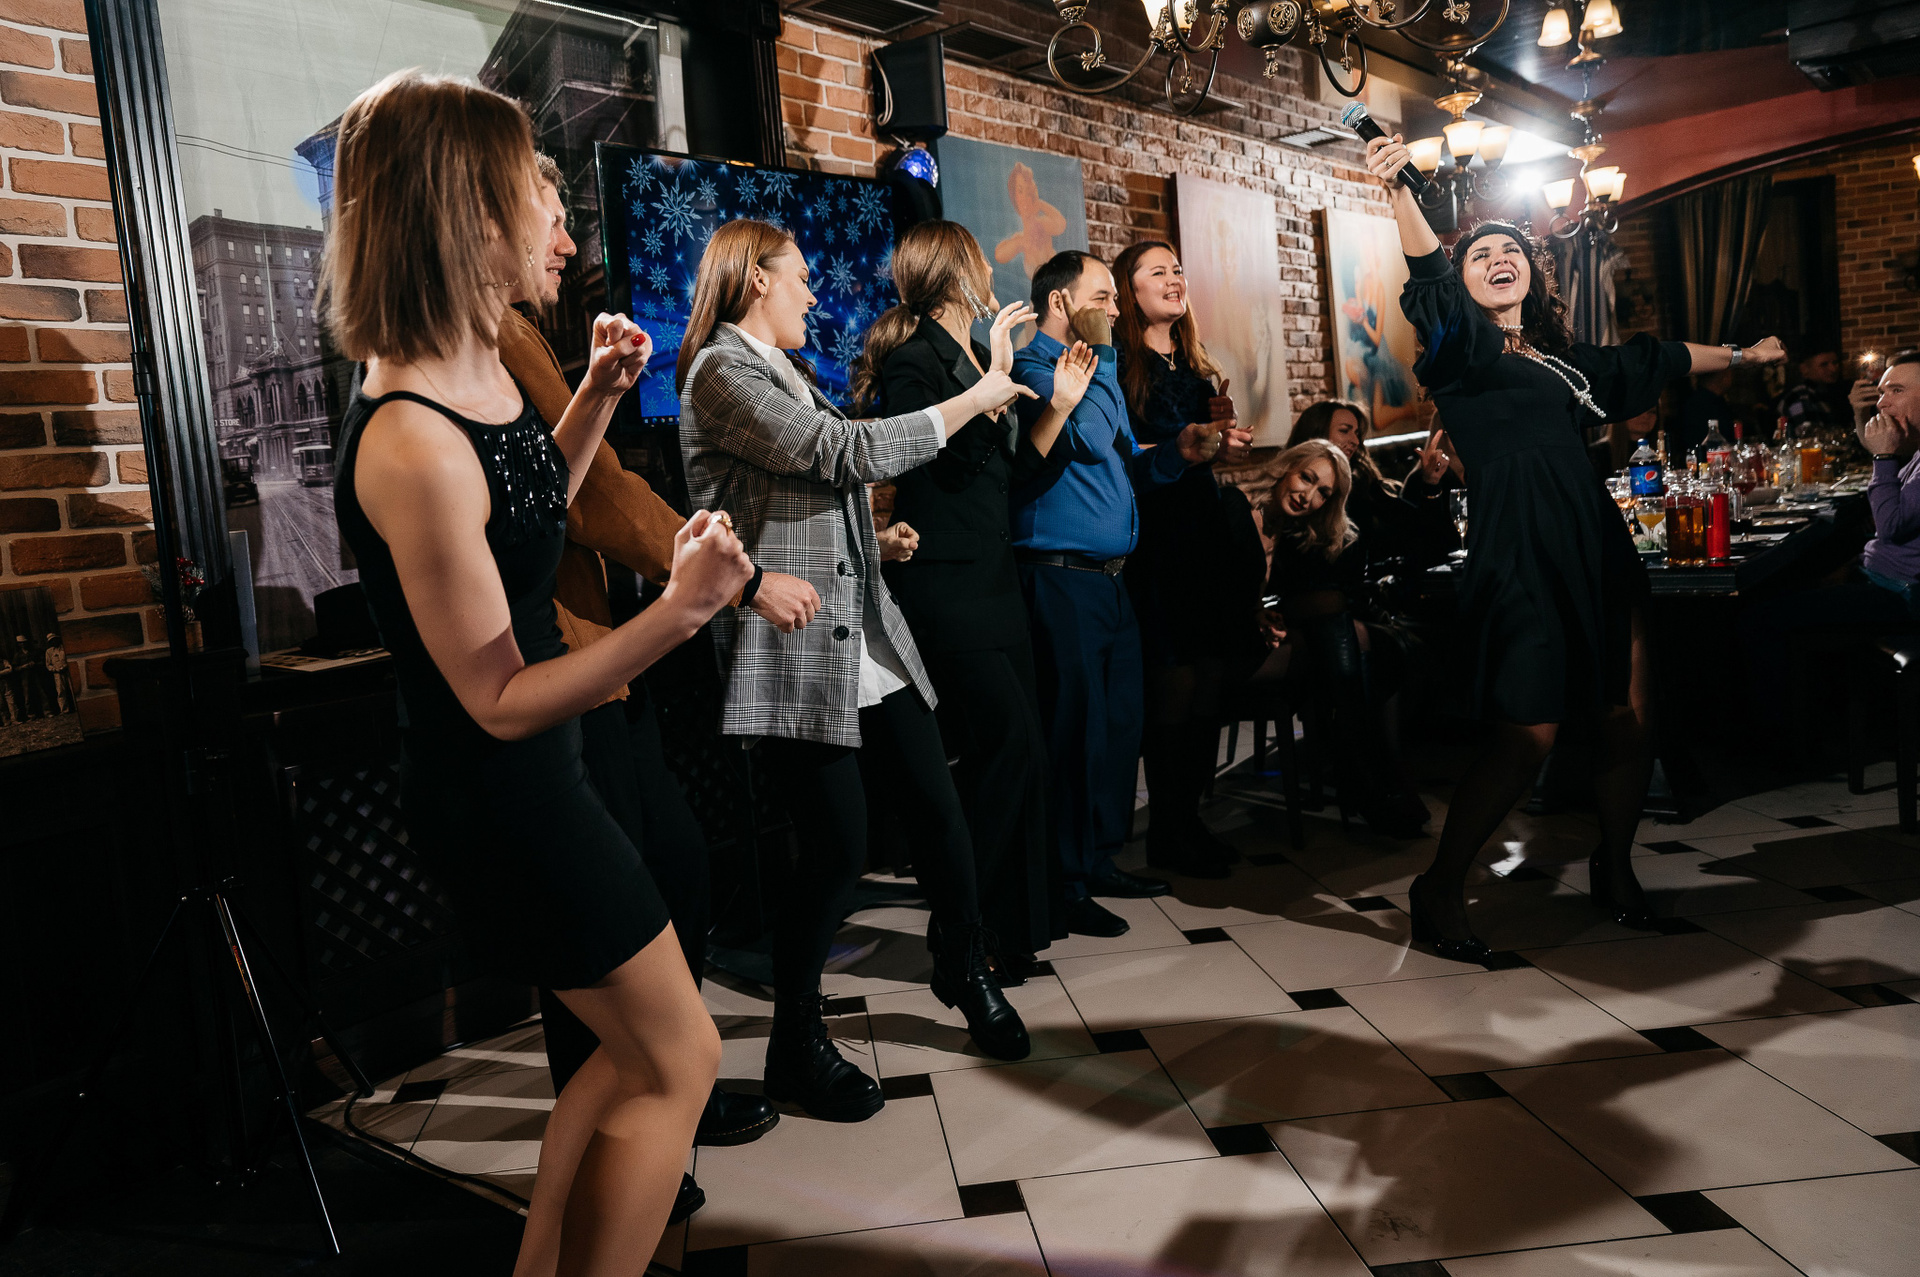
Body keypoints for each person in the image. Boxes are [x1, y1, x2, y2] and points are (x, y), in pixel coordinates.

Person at [324, 70, 746, 1276]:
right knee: (680, 1057)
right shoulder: (409, 435)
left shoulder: (469, 367)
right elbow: (498, 697)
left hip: (543, 778)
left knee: (626, 1051)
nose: (555, 221)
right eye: (529, 191)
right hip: (499, 797)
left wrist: (597, 398)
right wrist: (681, 611)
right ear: (467, 210)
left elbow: (523, 516)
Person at [1363, 131, 1787, 958]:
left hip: (1593, 539)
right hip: (1519, 545)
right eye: (1480, 254)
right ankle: (1439, 885)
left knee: (1630, 714)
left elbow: (1652, 360)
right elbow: (1429, 278)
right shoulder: (1459, 351)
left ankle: (1615, 866)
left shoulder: (1566, 360)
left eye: (1510, 251)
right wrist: (1399, 190)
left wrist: (1744, 353)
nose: (1498, 259)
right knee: (1530, 730)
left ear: (1532, 271)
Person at [497, 156, 810, 1214]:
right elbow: (586, 501)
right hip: (556, 670)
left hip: (591, 661)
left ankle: (658, 1101)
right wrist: (738, 581)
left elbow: (559, 486)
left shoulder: (516, 333)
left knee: (666, 871)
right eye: (550, 217)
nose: (568, 244)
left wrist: (594, 387)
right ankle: (639, 1124)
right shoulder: (486, 337)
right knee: (608, 919)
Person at [678, 218, 1038, 1123]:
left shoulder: (788, 370)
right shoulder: (720, 372)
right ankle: (796, 1044)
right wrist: (978, 395)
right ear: (756, 279)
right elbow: (841, 454)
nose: (814, 292)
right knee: (837, 846)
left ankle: (963, 965)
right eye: (800, 276)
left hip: (863, 629)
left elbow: (803, 502)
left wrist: (874, 540)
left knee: (940, 811)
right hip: (794, 641)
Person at [851, 220, 1083, 981]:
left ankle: (1008, 935)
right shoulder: (915, 361)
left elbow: (1010, 480)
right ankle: (961, 932)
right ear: (955, 273)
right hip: (945, 587)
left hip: (993, 580)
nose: (989, 270)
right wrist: (992, 390)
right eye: (979, 261)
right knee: (1004, 746)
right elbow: (941, 464)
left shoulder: (979, 357)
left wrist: (1057, 406)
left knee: (1022, 753)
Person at [1009, 250, 1227, 937]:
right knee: (1074, 733)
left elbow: (1124, 458)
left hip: (1111, 578)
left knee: (1116, 729)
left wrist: (1178, 453)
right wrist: (1101, 358)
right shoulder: (1034, 370)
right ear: (1060, 304)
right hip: (1062, 575)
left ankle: (1099, 858)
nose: (1113, 308)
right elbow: (1081, 438)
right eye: (1101, 296)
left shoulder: (1094, 370)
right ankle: (1066, 881)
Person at [1110, 240, 1254, 879]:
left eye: (1177, 269)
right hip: (1155, 541)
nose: (1174, 278)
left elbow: (1207, 454)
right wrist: (1181, 448)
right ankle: (1167, 830)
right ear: (1129, 290)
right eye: (1157, 271)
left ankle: (1189, 820)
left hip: (1204, 536)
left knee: (1210, 685)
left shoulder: (1197, 368)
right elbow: (1119, 458)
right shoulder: (1120, 366)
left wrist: (1229, 446)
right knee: (1174, 686)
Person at [1262, 439, 1429, 835]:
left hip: (1309, 630)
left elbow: (1344, 583)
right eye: (1307, 478)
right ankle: (1373, 780)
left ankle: (1368, 776)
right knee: (1344, 626)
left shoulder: (1314, 529)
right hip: (1255, 636)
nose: (1309, 496)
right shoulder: (1247, 512)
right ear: (1288, 466)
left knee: (1348, 629)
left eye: (1324, 492)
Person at [1287, 399, 1457, 570]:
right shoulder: (1290, 485)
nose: (1355, 440)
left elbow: (1420, 529)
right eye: (1344, 431)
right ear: (1317, 434)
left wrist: (1430, 482)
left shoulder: (1361, 482)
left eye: (1357, 433)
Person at [1778, 345, 1849, 438]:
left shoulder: (1826, 394)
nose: (1833, 369)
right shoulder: (1800, 397)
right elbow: (1809, 436)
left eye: (1835, 363)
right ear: (1804, 369)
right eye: (1824, 364)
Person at [43, 633, 70, 714]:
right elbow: (48, 665)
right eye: (51, 641)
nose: (53, 642)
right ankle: (64, 709)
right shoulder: (49, 651)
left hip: (68, 671)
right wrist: (55, 669)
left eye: (54, 639)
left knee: (73, 689)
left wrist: (65, 666)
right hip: (57, 674)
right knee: (61, 691)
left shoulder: (64, 647)